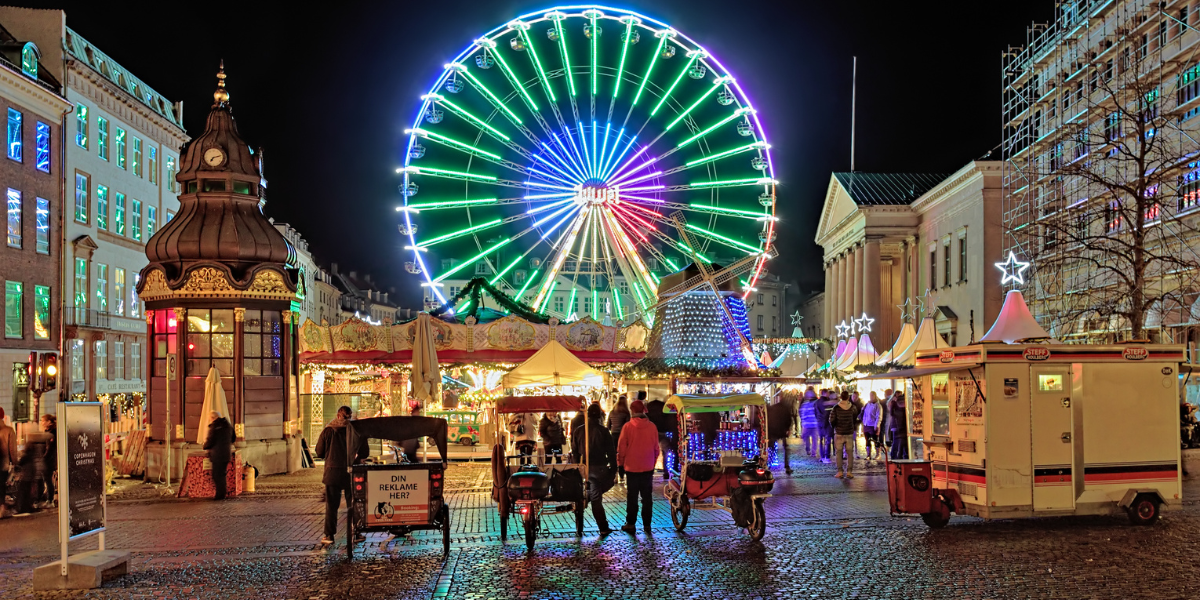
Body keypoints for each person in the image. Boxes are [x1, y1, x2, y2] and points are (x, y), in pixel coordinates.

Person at [315, 406, 369, 545]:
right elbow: (365, 453)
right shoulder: (356, 431)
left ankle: (329, 535)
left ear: (338, 416)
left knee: (332, 506)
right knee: (354, 503)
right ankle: (357, 532)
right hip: (351, 472)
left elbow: (319, 452)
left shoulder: (328, 431)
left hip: (332, 472)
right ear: (350, 416)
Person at [571, 403, 617, 534]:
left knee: (593, 493)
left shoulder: (578, 430)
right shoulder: (603, 431)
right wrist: (614, 469)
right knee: (596, 497)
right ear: (600, 416)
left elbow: (574, 451)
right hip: (600, 468)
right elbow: (611, 452)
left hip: (584, 468)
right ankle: (603, 527)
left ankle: (587, 498)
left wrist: (577, 466)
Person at [617, 399, 660, 534]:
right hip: (647, 467)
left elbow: (621, 448)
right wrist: (652, 463)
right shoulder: (652, 426)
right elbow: (656, 449)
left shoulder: (627, 427)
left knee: (632, 497)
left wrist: (620, 464)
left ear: (632, 411)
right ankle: (647, 524)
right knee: (647, 497)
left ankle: (631, 523)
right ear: (643, 411)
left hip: (631, 467)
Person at [202, 412, 234, 500]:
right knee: (222, 474)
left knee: (217, 475)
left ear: (213, 418)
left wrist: (205, 446)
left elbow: (210, 440)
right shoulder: (228, 425)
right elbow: (233, 437)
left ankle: (220, 495)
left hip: (217, 455)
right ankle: (222, 493)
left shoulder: (215, 427)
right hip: (226, 454)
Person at [646, 396, 677, 480]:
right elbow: (670, 421)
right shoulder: (665, 408)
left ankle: (649, 471)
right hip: (663, 432)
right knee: (666, 453)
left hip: (651, 433)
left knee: (650, 453)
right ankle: (667, 472)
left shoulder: (649, 407)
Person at [829, 391, 859, 478]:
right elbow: (855, 418)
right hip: (849, 432)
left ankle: (840, 472)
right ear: (848, 398)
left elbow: (831, 420)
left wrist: (834, 427)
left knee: (839, 453)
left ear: (841, 397)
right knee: (850, 453)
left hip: (839, 433)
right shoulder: (853, 407)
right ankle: (849, 472)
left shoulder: (836, 407)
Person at [765, 394, 797, 475]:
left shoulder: (774, 407)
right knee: (785, 448)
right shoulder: (786, 409)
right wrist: (788, 429)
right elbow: (789, 419)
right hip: (782, 431)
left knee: (771, 447)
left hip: (773, 430)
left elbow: (769, 418)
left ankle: (769, 464)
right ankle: (787, 466)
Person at [607, 396, 631, 485]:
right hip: (623, 436)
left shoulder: (612, 412)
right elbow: (628, 426)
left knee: (614, 455)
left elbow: (608, 426)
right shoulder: (626, 413)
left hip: (613, 436)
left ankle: (614, 475)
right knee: (623, 455)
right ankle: (622, 475)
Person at [0, 408, 15, 518]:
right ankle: (1, 509)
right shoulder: (8, 430)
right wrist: (15, 463)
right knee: (1, 487)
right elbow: (12, 450)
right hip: (3, 464)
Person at [38, 414, 56, 506]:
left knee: (48, 479)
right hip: (47, 459)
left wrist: (44, 457)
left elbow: (50, 448)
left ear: (49, 422)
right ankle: (47, 498)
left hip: (49, 460)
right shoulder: (47, 432)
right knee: (46, 479)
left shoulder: (52, 433)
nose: (42, 423)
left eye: (44, 421)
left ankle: (50, 499)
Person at [862, 391, 884, 461]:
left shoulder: (878, 406)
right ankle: (868, 455)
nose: (871, 397)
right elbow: (865, 415)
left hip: (873, 425)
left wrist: (877, 425)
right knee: (867, 440)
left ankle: (878, 454)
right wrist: (864, 423)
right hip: (867, 425)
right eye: (870, 395)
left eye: (872, 396)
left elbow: (879, 416)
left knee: (875, 440)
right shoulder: (867, 405)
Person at [816, 390, 837, 462]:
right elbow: (828, 413)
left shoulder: (817, 402)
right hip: (826, 423)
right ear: (825, 393)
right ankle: (827, 457)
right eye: (828, 393)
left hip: (819, 423)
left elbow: (815, 412)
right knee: (828, 440)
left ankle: (822, 456)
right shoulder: (827, 403)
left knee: (821, 440)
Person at [889, 392, 909, 460]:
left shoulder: (895, 404)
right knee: (900, 444)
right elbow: (891, 413)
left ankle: (896, 457)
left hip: (898, 426)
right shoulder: (898, 405)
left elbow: (891, 413)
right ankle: (899, 457)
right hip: (900, 427)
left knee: (898, 443)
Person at [799, 389, 819, 457]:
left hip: (808, 424)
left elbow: (802, 414)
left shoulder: (804, 404)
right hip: (814, 423)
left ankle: (808, 450)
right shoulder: (816, 403)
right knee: (814, 439)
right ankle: (813, 453)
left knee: (806, 437)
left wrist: (803, 422)